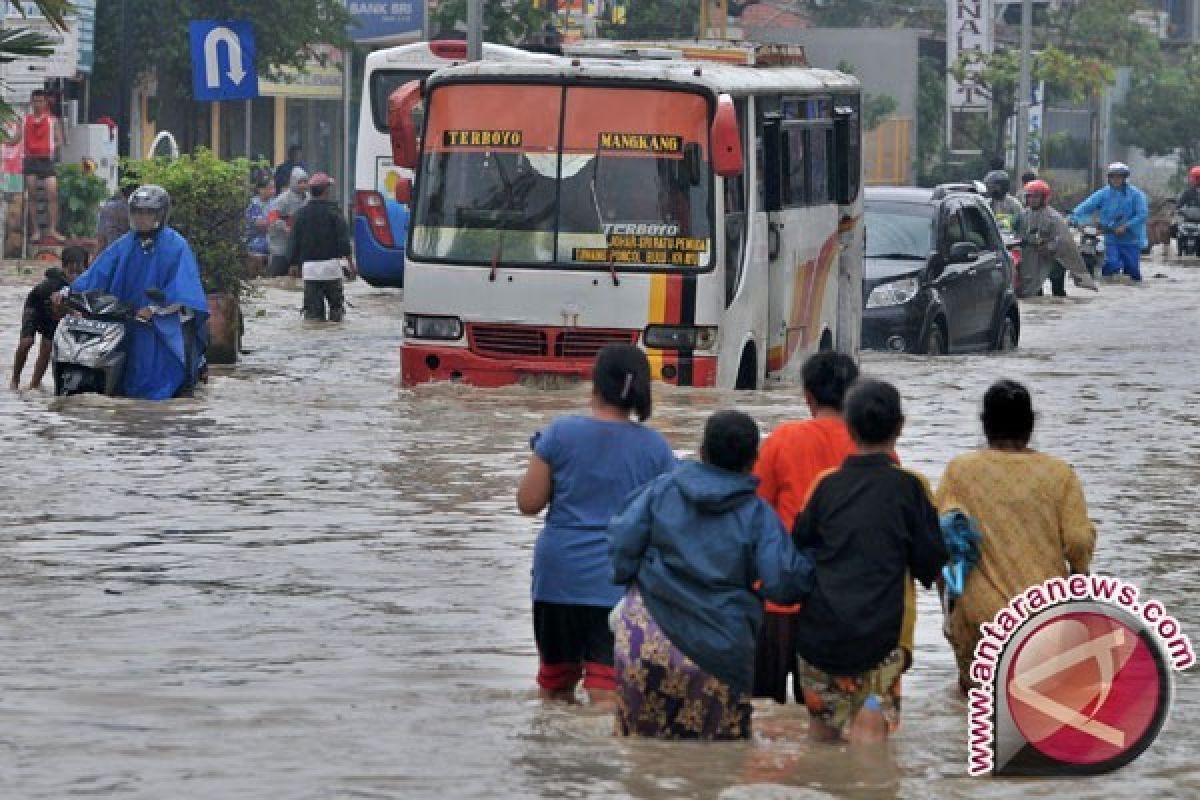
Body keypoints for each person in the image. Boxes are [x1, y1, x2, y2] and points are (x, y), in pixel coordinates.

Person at [608, 410, 814, 739]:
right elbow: (782, 583)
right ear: (753, 461)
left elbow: (622, 544)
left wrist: (632, 580)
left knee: (642, 761)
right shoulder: (757, 514)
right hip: (720, 651)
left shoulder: (662, 490)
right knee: (718, 763)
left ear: (702, 450)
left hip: (645, 640)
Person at [516, 344, 675, 708]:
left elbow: (528, 503)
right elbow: (668, 521)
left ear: (595, 385)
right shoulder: (656, 449)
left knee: (555, 690)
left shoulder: (560, 434)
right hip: (618, 584)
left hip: (558, 579)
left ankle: (555, 762)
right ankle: (600, 763)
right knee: (607, 693)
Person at [790, 380, 947, 744]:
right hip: (879, 638)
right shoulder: (911, 487)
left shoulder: (824, 485)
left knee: (820, 741)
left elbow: (799, 546)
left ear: (848, 426)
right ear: (900, 426)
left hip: (820, 635)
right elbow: (931, 563)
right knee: (871, 747)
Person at [935, 381, 1096, 691]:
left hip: (979, 618)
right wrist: (1079, 578)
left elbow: (939, 536)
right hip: (1043, 619)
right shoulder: (1059, 474)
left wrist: (949, 609)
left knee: (974, 710)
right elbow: (1077, 542)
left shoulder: (961, 471)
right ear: (1031, 424)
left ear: (985, 424)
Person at [751, 351, 859, 704]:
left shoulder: (784, 439)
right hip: (842, 606)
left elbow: (755, 509)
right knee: (827, 718)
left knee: (762, 712)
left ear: (808, 396)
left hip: (778, 600)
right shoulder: (873, 450)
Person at [62, 185, 209, 400]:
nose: (142, 218)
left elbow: (185, 290)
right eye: (138, 212)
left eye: (148, 212)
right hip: (127, 321)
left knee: (161, 383)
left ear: (161, 214)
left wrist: (154, 309)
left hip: (163, 326)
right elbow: (97, 273)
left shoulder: (177, 246)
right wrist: (67, 291)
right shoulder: (125, 244)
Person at [10, 247, 87, 391]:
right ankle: (14, 381)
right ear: (63, 268)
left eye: (79, 273)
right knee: (27, 342)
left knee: (47, 348)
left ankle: (34, 385)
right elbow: (57, 305)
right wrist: (72, 312)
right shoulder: (58, 284)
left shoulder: (84, 285)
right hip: (36, 305)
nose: (74, 277)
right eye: (71, 272)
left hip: (54, 314)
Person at [286, 172, 357, 322]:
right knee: (336, 313)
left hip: (310, 271)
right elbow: (344, 243)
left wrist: (293, 264)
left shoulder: (301, 214)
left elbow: (294, 241)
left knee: (313, 316)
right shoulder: (334, 213)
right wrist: (351, 265)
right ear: (326, 191)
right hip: (331, 269)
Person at [1070, 162, 1148, 284]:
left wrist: (1126, 226)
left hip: (1131, 239)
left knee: (1133, 272)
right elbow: (1084, 208)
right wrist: (1075, 220)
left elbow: (1142, 214)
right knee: (1111, 264)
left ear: (1125, 178)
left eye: (1119, 176)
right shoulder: (1102, 194)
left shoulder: (1136, 195)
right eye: (1113, 176)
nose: (1116, 179)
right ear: (1109, 178)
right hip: (1110, 238)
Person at [1018, 179, 1098, 298]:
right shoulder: (1023, 215)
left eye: (1036, 197)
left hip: (1055, 258)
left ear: (1044, 198)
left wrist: (1048, 247)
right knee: (1033, 291)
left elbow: (1063, 240)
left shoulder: (1054, 217)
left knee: (1057, 289)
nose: (1032, 200)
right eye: (1030, 197)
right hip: (1033, 257)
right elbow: (1019, 236)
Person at [12, 90, 66, 243]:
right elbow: (16, 138)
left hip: (46, 160)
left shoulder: (52, 120)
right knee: (32, 195)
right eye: (35, 101)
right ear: (32, 102)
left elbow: (59, 140)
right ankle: (35, 230)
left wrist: (50, 146)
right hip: (30, 160)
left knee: (52, 193)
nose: (38, 104)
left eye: (41, 101)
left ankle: (52, 229)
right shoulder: (24, 120)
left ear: (45, 102)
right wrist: (6, 141)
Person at [266, 167, 308, 277]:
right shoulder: (282, 199)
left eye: (305, 182)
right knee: (277, 277)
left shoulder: (308, 198)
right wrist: (284, 227)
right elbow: (272, 217)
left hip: (300, 249)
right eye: (300, 182)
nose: (303, 185)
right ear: (293, 182)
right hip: (281, 248)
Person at [96, 171, 139, 252]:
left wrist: (95, 263)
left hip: (112, 257)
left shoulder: (108, 209)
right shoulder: (144, 212)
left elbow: (101, 242)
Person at [244, 174, 274, 276]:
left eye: (273, 188)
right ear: (261, 189)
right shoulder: (254, 204)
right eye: (270, 188)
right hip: (254, 242)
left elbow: (273, 221)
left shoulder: (273, 203)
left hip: (270, 241)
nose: (273, 191)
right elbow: (260, 224)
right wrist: (271, 222)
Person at [983, 170, 1024, 238]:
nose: (990, 189)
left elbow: (1021, 226)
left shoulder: (1014, 204)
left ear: (1004, 186)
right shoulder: (987, 204)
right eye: (989, 186)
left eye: (994, 186)